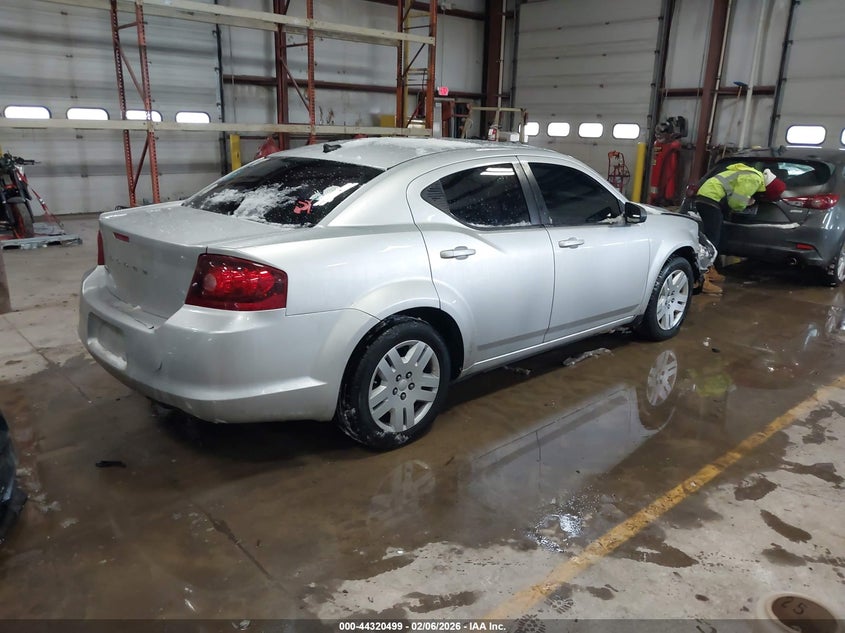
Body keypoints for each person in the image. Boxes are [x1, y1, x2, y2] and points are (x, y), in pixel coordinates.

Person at [693, 163, 786, 294]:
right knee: (711, 240)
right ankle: (702, 280)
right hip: (711, 198)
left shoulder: (753, 175)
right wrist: (748, 203)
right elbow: (736, 203)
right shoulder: (754, 179)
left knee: (717, 237)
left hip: (709, 196)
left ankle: (711, 270)